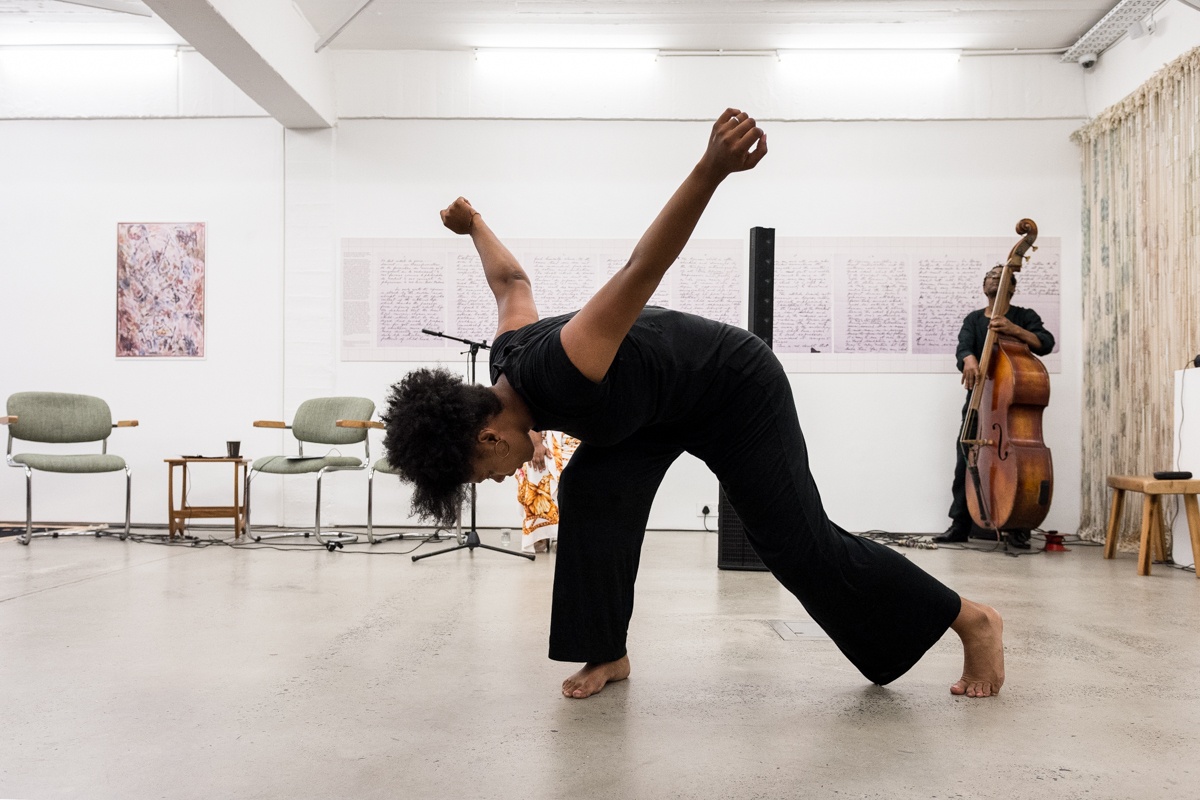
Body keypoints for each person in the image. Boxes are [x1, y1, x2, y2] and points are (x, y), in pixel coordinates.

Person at [382, 109, 1005, 699]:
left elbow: (641, 268)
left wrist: (711, 168)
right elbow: (511, 283)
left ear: (489, 437)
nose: (498, 477)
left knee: (794, 542)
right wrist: (475, 226)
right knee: (591, 491)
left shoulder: (563, 369)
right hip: (648, 410)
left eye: (483, 472)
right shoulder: (505, 361)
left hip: (730, 386)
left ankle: (969, 619)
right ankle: (606, 652)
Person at [934, 265, 1055, 548]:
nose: (994, 278)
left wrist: (1015, 330)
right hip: (980, 401)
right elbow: (963, 346)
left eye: (1001, 277)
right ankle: (960, 524)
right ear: (983, 286)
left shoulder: (1025, 317)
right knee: (965, 461)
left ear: (1011, 288)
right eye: (990, 275)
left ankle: (1017, 526)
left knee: (1018, 465)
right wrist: (968, 359)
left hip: (1008, 407)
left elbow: (1045, 343)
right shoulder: (974, 320)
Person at [515, 429, 578, 553]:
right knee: (535, 466)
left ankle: (567, 534)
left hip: (576, 437)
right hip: (545, 436)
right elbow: (532, 416)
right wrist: (536, 444)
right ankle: (540, 534)